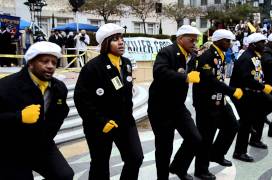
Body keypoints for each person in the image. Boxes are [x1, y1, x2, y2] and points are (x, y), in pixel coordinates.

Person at [74, 23, 143, 180]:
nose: (121, 42)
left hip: (125, 121)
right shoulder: (92, 67)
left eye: (121, 38)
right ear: (105, 44)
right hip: (100, 125)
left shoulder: (126, 62)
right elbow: (81, 99)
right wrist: (100, 121)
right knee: (100, 165)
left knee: (135, 158)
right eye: (115, 39)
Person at [0, 41, 74, 180]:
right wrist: (18, 117)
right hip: (10, 148)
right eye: (44, 61)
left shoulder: (58, 87)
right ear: (31, 63)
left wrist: (47, 135)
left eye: (54, 62)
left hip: (41, 144)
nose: (50, 66)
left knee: (64, 175)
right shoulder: (7, 86)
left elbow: (61, 111)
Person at [148, 25, 202, 180]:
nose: (194, 42)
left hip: (178, 107)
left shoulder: (191, 56)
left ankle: (178, 167)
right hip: (160, 108)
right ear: (180, 39)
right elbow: (159, 72)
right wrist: (184, 77)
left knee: (195, 138)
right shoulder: (168, 52)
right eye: (191, 39)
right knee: (164, 148)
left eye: (196, 39)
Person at [193, 29, 242, 180]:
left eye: (230, 41)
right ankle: (201, 170)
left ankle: (217, 154)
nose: (229, 43)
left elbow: (218, 79)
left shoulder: (219, 55)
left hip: (219, 99)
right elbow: (210, 80)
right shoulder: (207, 57)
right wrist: (231, 91)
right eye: (226, 41)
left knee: (233, 125)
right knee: (206, 137)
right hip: (206, 103)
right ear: (217, 40)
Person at [230, 33, 272, 162]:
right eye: (261, 43)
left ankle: (255, 137)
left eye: (264, 42)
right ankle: (239, 152)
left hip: (255, 92)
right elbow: (246, 79)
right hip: (245, 94)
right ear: (253, 44)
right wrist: (262, 87)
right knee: (245, 124)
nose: (264, 45)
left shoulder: (256, 56)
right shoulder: (246, 58)